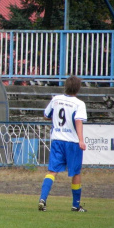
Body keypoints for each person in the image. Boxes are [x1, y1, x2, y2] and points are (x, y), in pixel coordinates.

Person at [38, 75, 87, 212]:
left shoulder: (56, 99)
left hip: (57, 140)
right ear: (78, 89)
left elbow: (46, 115)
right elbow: (78, 121)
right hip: (72, 142)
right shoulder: (79, 104)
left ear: (65, 86)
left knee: (52, 171)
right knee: (76, 173)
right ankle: (75, 205)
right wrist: (81, 140)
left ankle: (43, 199)